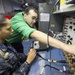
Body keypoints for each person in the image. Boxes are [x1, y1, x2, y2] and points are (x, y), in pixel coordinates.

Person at [7, 6, 75, 55]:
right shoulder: (19, 22)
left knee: (20, 54)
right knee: (15, 60)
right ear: (25, 16)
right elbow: (34, 33)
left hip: (17, 40)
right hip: (9, 43)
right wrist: (65, 47)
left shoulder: (24, 15)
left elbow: (33, 28)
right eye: (33, 18)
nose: (34, 21)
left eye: (35, 19)